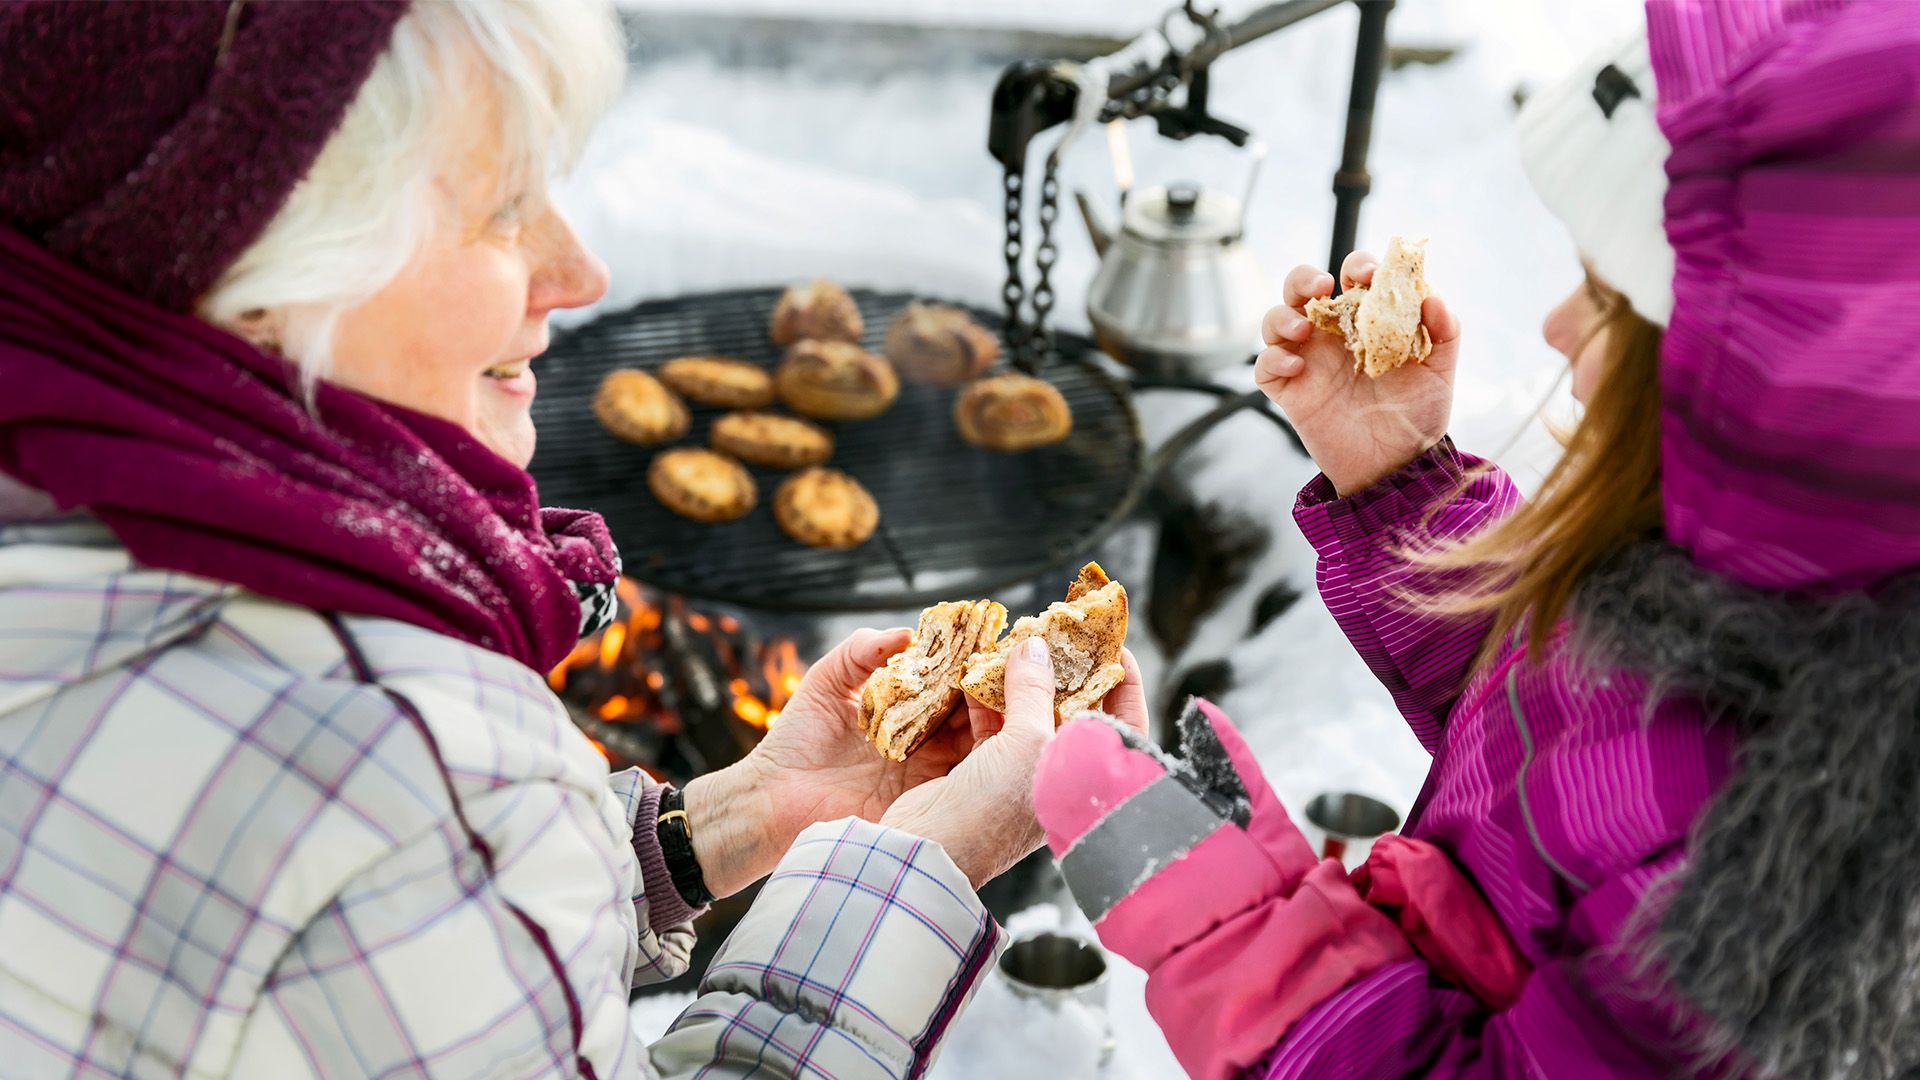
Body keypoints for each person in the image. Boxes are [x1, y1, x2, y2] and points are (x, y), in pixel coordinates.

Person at [0, 2, 1146, 1076]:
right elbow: (388, 831)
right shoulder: (401, 761)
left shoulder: (71, 536)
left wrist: (724, 825)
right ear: (252, 268)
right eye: (502, 207)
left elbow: (338, 957)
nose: (577, 272)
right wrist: (918, 873)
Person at [1031, 2, 1920, 1078]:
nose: (1552, 325)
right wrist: (1401, 481)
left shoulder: (1770, 883)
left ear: (1761, 399)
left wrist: (1245, 940)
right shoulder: (1744, 590)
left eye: (1603, 298)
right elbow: (1558, 722)